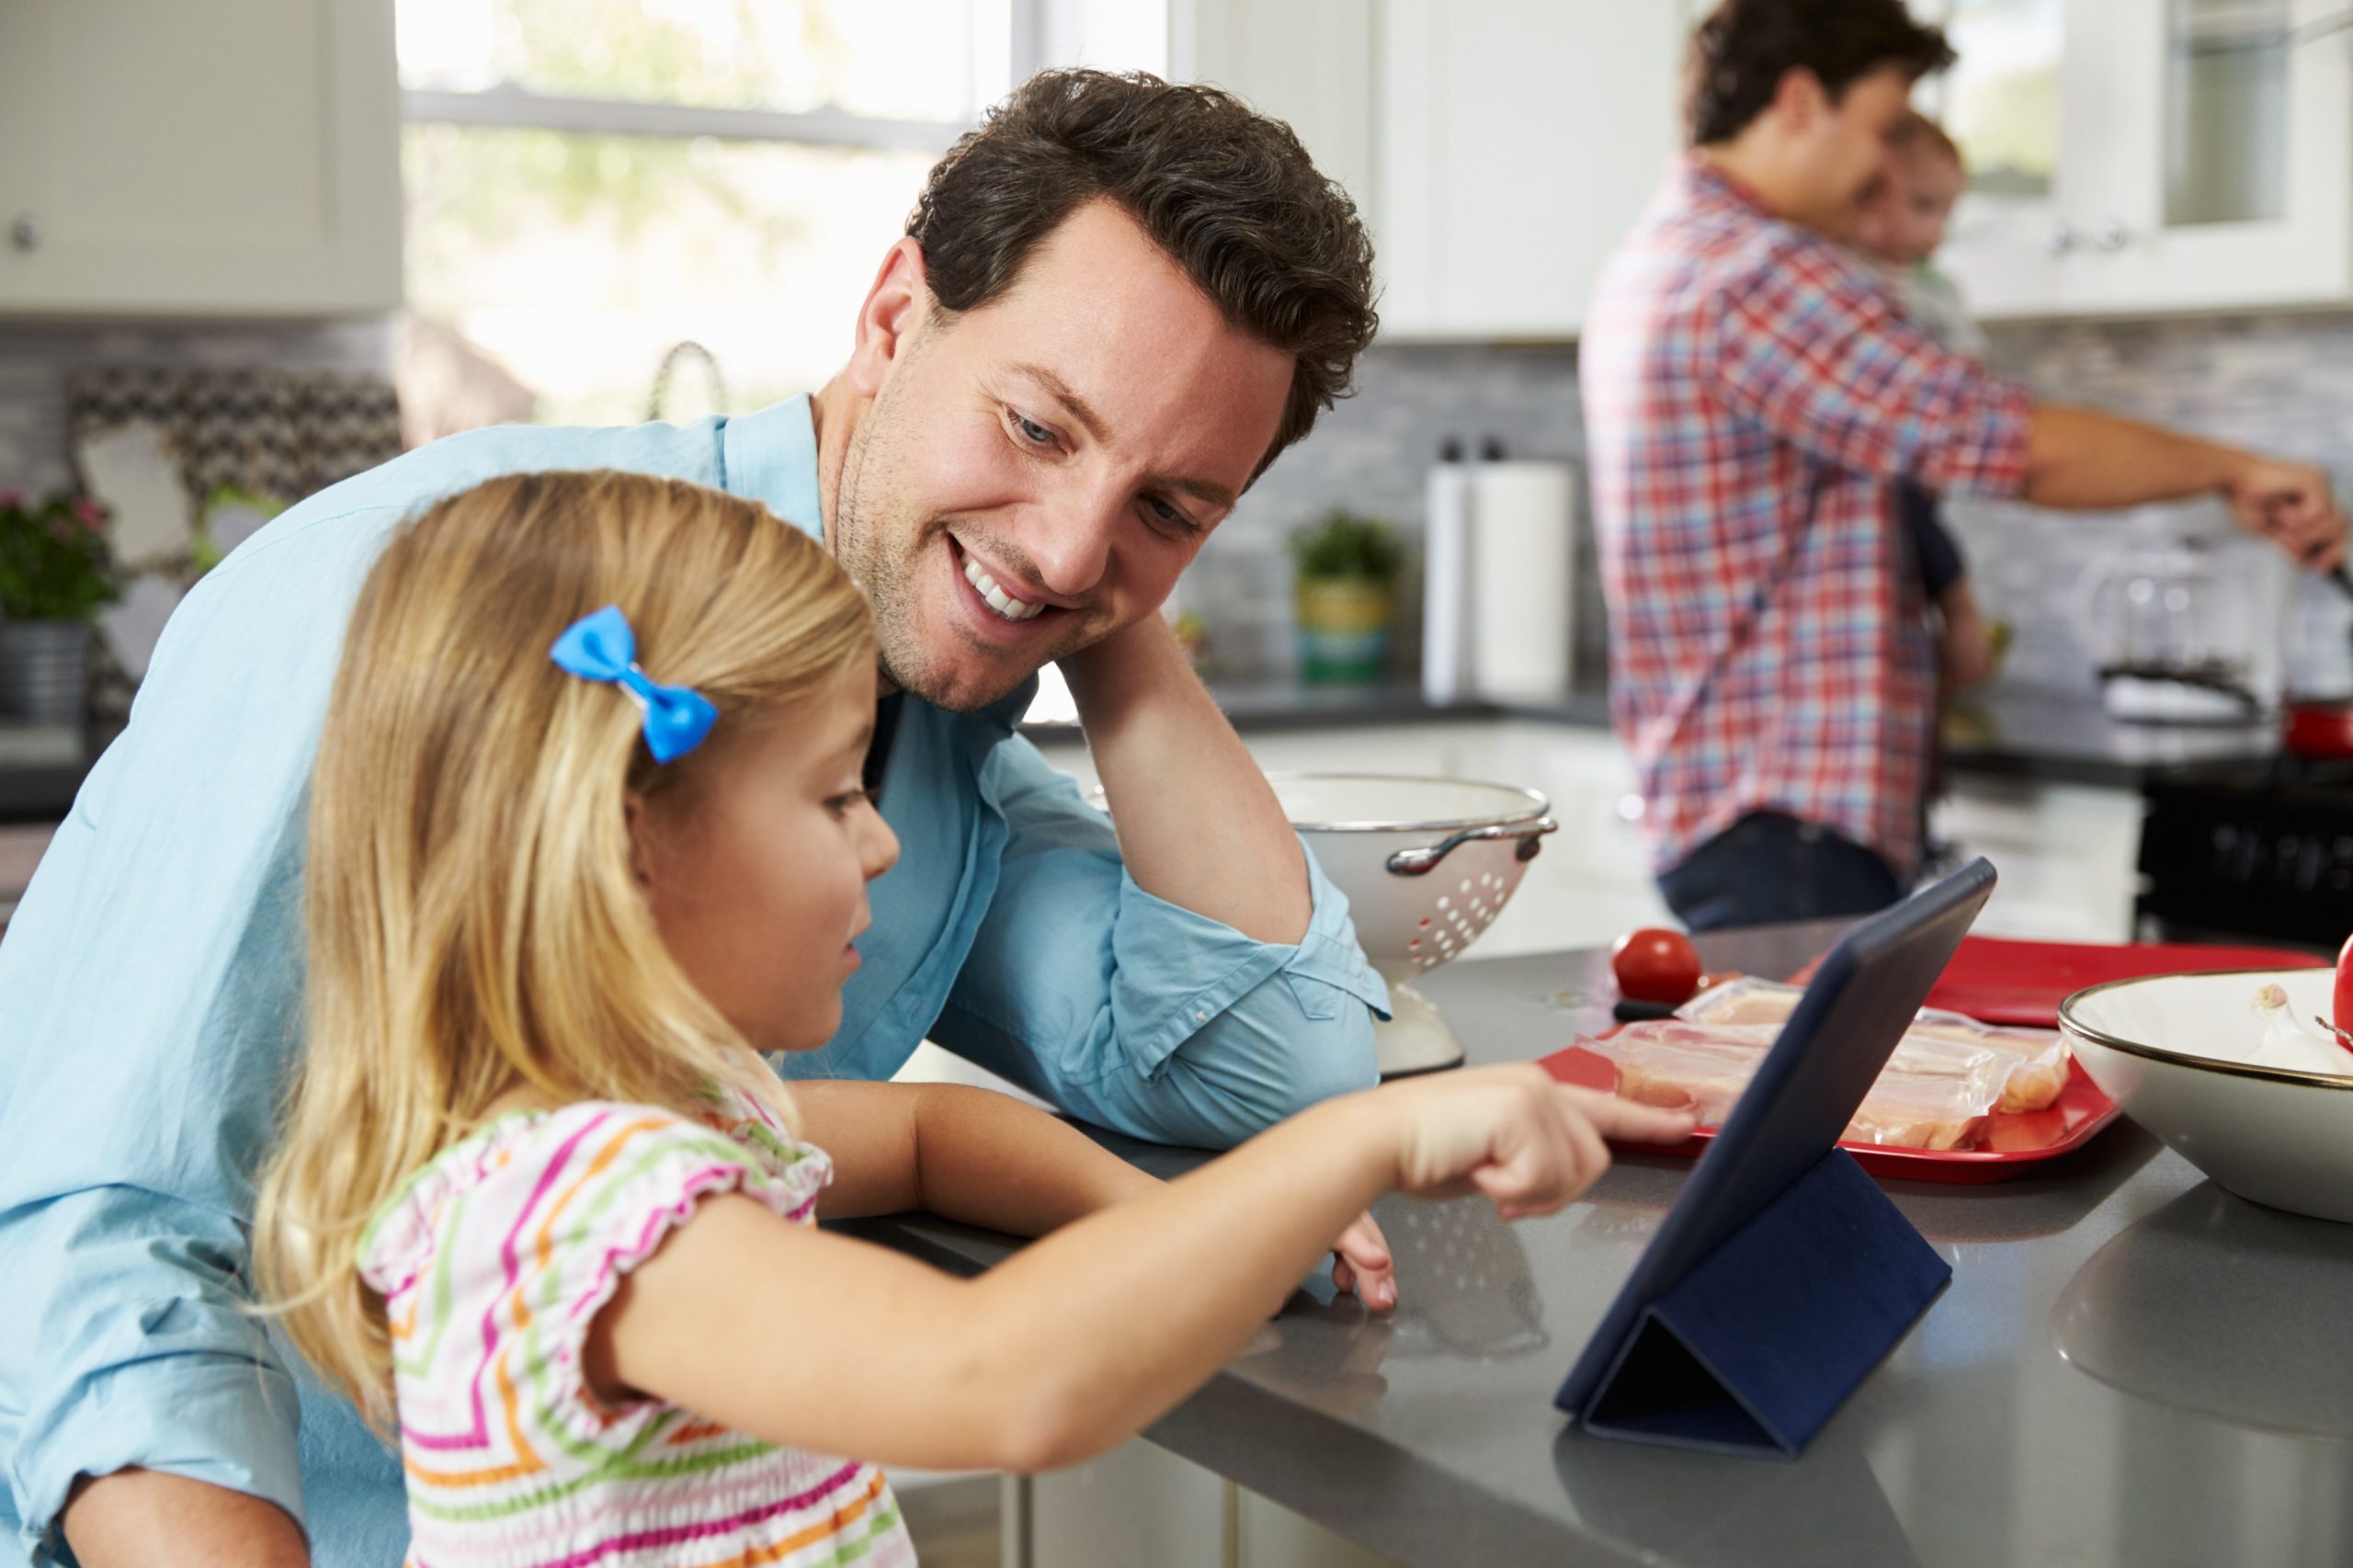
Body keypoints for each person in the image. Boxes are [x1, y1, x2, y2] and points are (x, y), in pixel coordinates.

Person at [0, 70, 1397, 1568]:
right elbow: (98, 1229)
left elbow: (1289, 1069)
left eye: (1178, 504)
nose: (1072, 537)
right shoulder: (430, 602)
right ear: (890, 320)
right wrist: (1092, 530)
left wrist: (1102, 589)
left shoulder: (923, 709)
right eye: (1038, 424)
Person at [247, 468, 1694, 1564]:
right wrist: (1360, 1141)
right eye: (833, 799)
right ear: (630, 845)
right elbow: (1001, 1380)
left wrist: (1167, 1219)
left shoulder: (676, 1115)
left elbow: (934, 1135)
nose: (883, 843)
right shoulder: (560, 1208)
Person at [1583, 0, 2348, 934]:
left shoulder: (1659, 256)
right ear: (1796, 102)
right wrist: (2236, 467)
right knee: (1811, 1084)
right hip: (1781, 817)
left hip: (1740, 811)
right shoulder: (1754, 274)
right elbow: (2008, 443)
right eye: (1879, 128)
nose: (1882, 167)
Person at [1854, 108, 1996, 692]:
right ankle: (1958, 610)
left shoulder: (1935, 289)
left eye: (1944, 214)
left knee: (1913, 523)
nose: (1934, 231)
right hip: (1880, 458)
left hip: (1919, 453)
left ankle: (1954, 616)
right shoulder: (1842, 275)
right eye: (1922, 207)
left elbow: (1967, 366)